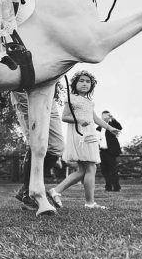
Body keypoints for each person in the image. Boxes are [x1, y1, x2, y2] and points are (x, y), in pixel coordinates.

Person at [48, 71, 120, 209]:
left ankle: (56, 191)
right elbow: (65, 117)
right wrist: (80, 120)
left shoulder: (89, 102)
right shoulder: (71, 98)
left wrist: (110, 128)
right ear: (75, 83)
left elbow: (96, 119)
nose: (85, 83)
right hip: (80, 135)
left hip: (90, 135)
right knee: (91, 167)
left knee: (82, 170)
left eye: (88, 82)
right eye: (81, 81)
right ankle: (89, 203)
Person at [10, 83, 64, 211]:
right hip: (26, 91)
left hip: (49, 94)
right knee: (36, 140)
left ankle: (26, 188)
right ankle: (29, 195)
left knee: (57, 146)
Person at [98, 110, 123, 192]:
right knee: (104, 170)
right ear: (101, 117)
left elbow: (120, 127)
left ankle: (116, 187)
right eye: (103, 116)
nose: (105, 118)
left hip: (111, 151)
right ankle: (108, 186)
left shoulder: (112, 125)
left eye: (106, 116)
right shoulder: (99, 127)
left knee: (113, 170)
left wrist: (113, 118)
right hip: (102, 151)